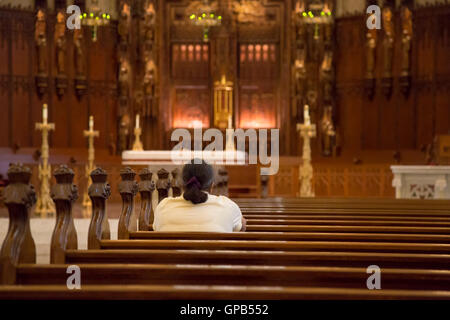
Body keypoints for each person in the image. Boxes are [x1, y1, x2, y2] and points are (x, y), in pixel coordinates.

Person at [153, 159, 246, 232]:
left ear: (182, 184)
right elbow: (241, 229)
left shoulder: (163, 206)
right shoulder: (227, 206)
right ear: (212, 185)